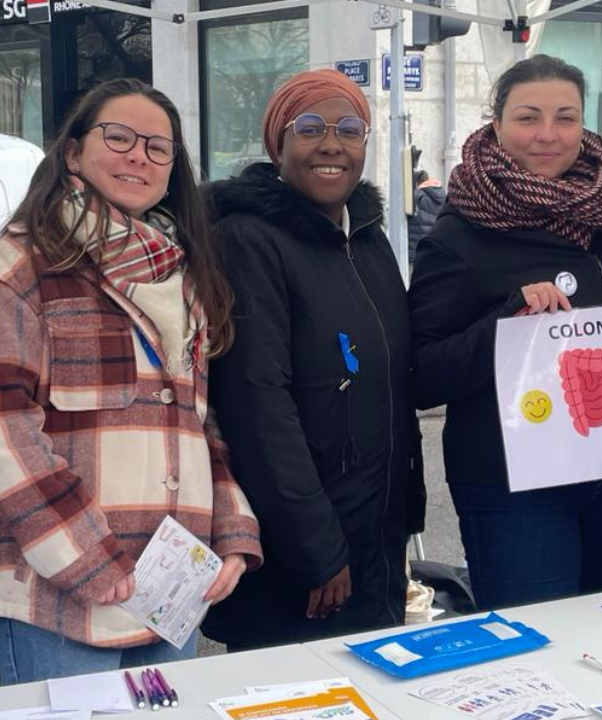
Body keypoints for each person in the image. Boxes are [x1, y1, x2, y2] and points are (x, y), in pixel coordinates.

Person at [0, 78, 261, 684]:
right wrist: (85, 557)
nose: (138, 156)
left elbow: (198, 423)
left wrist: (231, 530)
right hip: (59, 598)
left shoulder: (183, 276)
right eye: (119, 137)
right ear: (72, 152)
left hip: (173, 588)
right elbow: (6, 426)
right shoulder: (23, 264)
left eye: (158, 147)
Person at [409, 55, 602, 609]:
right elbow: (422, 375)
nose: (547, 135)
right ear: (496, 125)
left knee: (599, 632)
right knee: (534, 646)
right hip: (513, 485)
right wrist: (506, 324)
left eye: (565, 117)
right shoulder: (462, 232)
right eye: (527, 117)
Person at [202, 68, 421, 651]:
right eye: (309, 128)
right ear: (278, 143)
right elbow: (257, 409)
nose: (332, 144)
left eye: (350, 129)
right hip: (307, 555)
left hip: (373, 536)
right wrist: (316, 550)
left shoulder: (368, 237)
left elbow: (393, 381)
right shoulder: (249, 240)